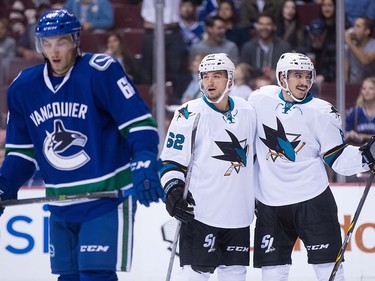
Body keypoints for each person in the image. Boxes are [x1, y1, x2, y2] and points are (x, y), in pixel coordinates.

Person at [0, 8, 164, 281]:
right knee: (68, 278)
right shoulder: (23, 88)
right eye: (47, 43)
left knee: (95, 275)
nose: (54, 51)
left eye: (61, 41)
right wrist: (4, 184)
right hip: (60, 203)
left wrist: (145, 157)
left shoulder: (101, 72)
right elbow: (21, 153)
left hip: (107, 197)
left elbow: (139, 123)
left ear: (76, 40)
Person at [248, 52, 375, 281]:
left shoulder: (322, 111)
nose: (305, 82)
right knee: (272, 273)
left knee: (328, 269)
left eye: (308, 76)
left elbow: (339, 160)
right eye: (297, 75)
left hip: (313, 200)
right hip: (271, 204)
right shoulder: (259, 100)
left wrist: (366, 155)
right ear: (281, 77)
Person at [160, 53, 257, 280]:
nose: (210, 82)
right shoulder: (189, 113)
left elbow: (256, 160)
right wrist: (173, 191)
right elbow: (171, 162)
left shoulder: (248, 111)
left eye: (217, 76)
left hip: (238, 218)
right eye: (205, 76)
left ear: (230, 80)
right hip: (200, 215)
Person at [240, 13, 291, 82]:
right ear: (257, 26)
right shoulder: (248, 46)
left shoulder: (284, 47)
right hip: (253, 85)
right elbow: (244, 68)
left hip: (276, 84)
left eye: (268, 24)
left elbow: (288, 72)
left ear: (274, 26)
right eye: (261, 24)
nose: (264, 27)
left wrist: (276, 74)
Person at [345, 16, 375, 83]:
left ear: (367, 31)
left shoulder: (373, 44)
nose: (354, 29)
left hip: (370, 87)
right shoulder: (349, 46)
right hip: (353, 85)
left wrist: (349, 42)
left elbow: (365, 60)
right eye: (354, 26)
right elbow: (346, 67)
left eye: (358, 26)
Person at [346, 76, 375, 146]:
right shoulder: (354, 112)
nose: (367, 91)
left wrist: (363, 137)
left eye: (371, 88)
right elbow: (345, 135)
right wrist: (352, 135)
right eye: (364, 88)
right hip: (359, 151)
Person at [0, 17, 16, 83]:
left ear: (6, 30)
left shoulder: (11, 42)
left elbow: (10, 62)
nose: (0, 31)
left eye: (2, 28)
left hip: (5, 79)